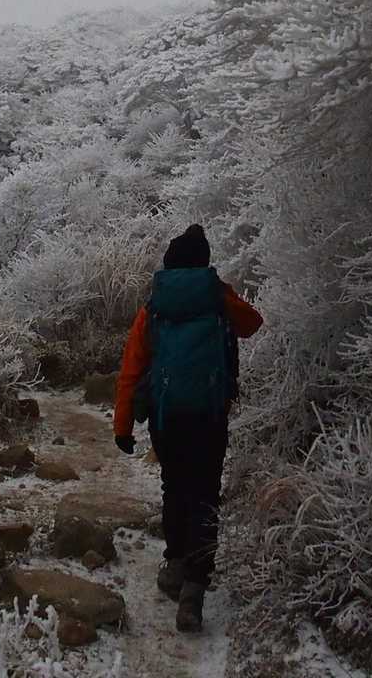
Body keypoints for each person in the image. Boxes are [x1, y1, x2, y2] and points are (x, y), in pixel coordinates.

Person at [112, 224, 263, 633]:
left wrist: (123, 425)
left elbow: (131, 369)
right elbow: (253, 323)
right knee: (205, 495)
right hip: (209, 415)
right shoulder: (217, 298)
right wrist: (221, 290)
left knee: (174, 488)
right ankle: (195, 589)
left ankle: (176, 564)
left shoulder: (155, 307)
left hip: (167, 417)